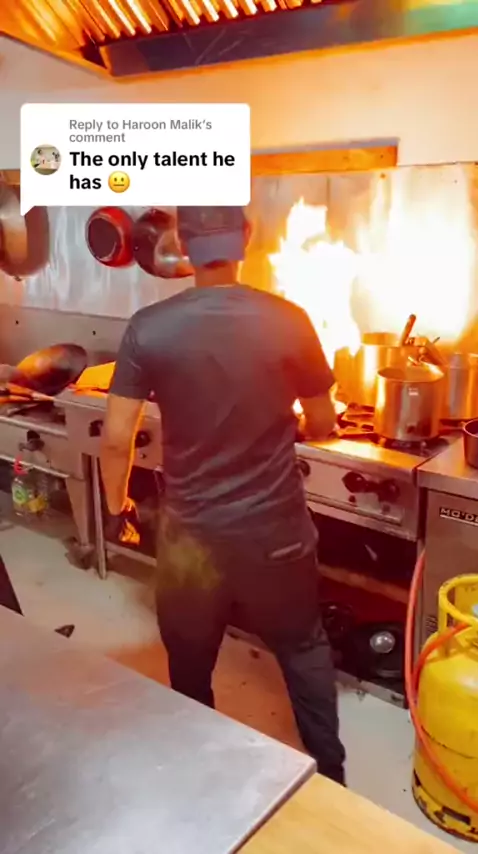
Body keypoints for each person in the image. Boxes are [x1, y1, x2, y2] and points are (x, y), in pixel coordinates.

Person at [99, 206, 346, 784]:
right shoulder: (289, 319)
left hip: (193, 538)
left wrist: (117, 509)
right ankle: (332, 778)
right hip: (276, 533)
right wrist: (293, 422)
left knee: (189, 656)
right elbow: (323, 420)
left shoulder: (149, 327)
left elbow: (115, 438)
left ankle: (198, 773)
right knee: (302, 647)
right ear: (245, 242)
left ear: (184, 246)